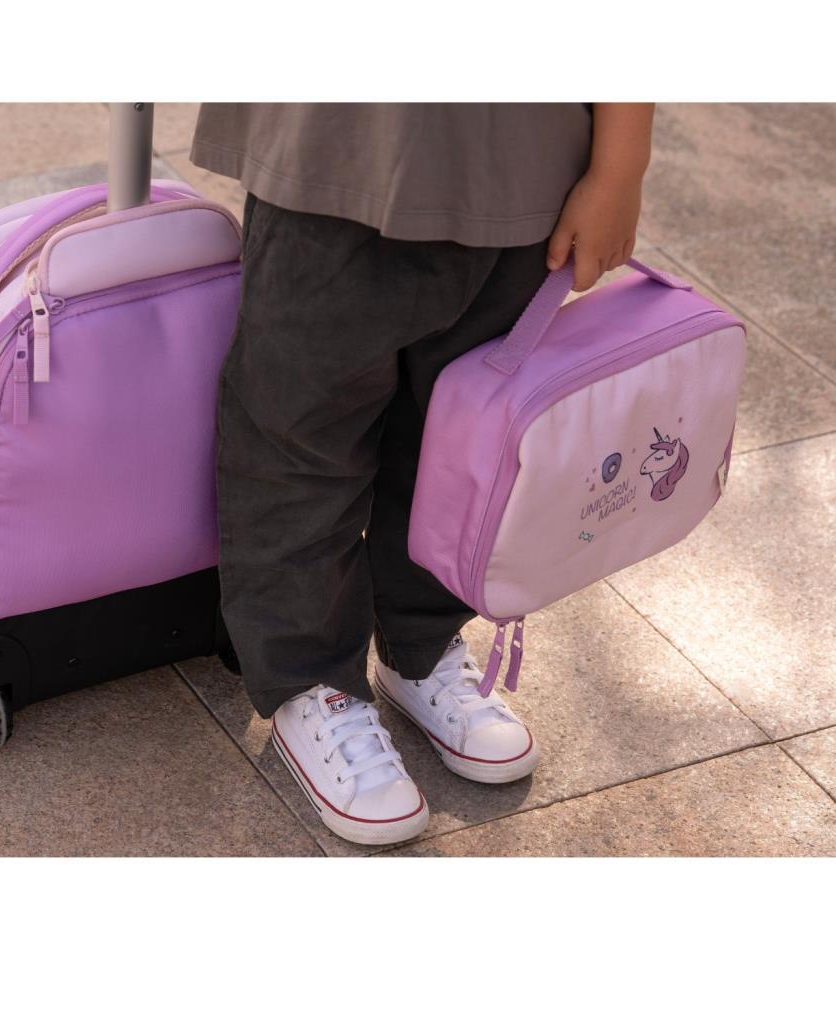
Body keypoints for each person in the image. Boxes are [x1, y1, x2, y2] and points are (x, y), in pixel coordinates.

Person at [190, 103, 654, 845]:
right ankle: (312, 678)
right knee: (301, 437)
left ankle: (422, 644)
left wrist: (619, 168)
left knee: (462, 443)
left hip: (524, 155)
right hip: (336, 142)